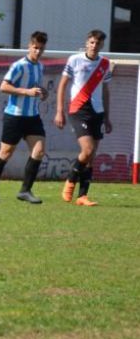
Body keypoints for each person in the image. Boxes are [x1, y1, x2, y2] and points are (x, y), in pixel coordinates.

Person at [0, 31, 49, 204]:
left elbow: (35, 87)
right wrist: (26, 92)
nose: (38, 52)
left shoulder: (40, 67)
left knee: (39, 150)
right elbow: (4, 86)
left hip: (33, 116)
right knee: (5, 153)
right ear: (29, 46)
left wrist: (43, 92)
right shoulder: (19, 65)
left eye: (41, 49)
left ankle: (25, 190)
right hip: (15, 116)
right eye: (35, 48)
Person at [55, 29, 113, 206]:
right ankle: (71, 181)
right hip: (78, 109)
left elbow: (105, 90)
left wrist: (107, 117)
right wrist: (59, 110)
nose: (95, 46)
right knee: (87, 150)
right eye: (92, 42)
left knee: (92, 155)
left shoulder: (105, 64)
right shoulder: (74, 59)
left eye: (98, 43)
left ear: (102, 45)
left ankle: (82, 196)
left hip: (97, 111)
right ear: (87, 42)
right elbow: (62, 85)